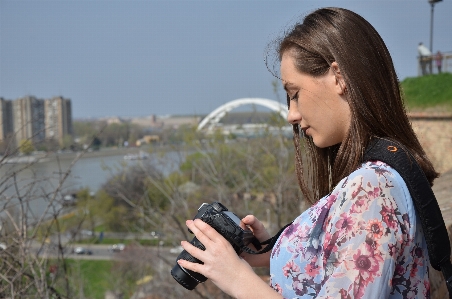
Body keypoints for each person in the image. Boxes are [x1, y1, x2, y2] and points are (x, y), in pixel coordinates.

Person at [177, 7, 438, 299]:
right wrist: (278, 248)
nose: (291, 114)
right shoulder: (383, 174)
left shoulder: (371, 189)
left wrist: (236, 279)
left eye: (294, 94)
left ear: (338, 76)